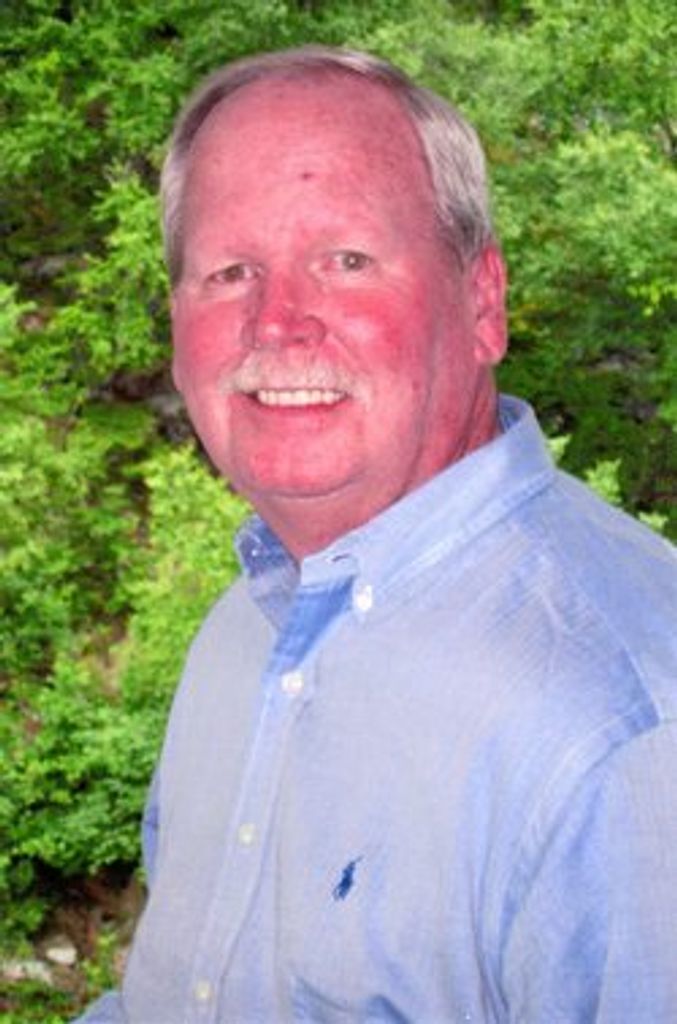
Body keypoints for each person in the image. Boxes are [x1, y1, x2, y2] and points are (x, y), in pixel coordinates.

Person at [78, 45, 677, 1023]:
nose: (277, 325)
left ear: (481, 303)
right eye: (229, 271)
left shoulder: (626, 725)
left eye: (345, 261)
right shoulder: (245, 629)